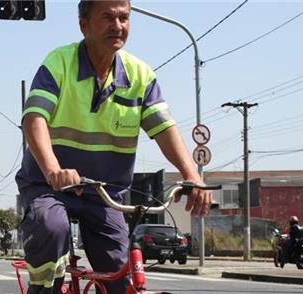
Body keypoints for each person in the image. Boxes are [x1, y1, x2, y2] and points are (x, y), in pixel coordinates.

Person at [14, 1, 214, 293]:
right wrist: (53, 170)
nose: (117, 25)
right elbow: (34, 119)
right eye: (107, 17)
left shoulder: (140, 75)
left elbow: (165, 128)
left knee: (119, 277)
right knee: (51, 228)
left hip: (105, 195)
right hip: (50, 187)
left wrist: (191, 174)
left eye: (124, 18)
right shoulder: (59, 63)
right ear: (83, 24)